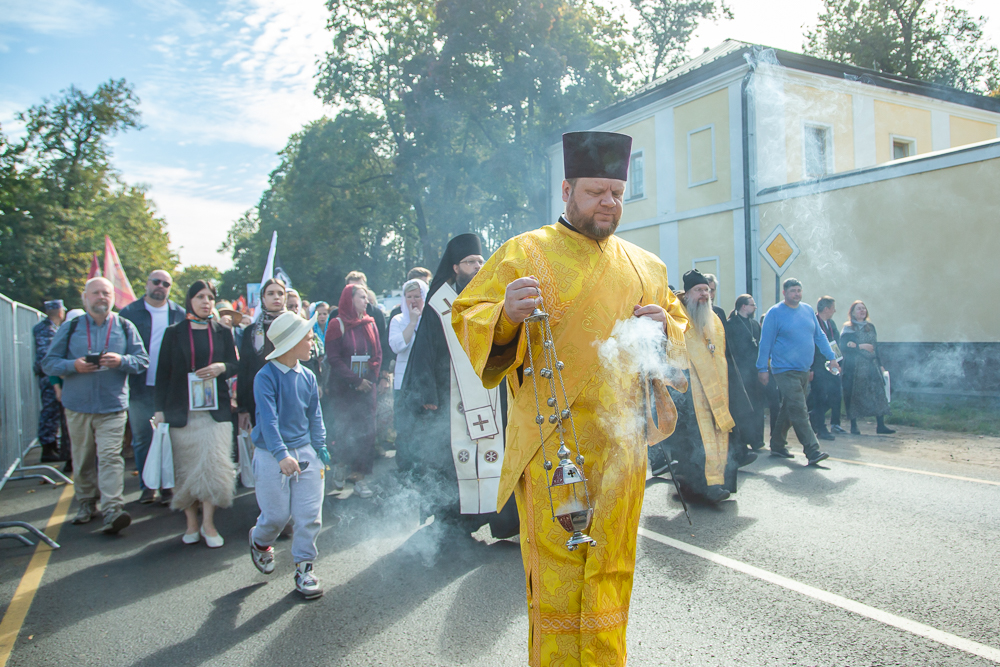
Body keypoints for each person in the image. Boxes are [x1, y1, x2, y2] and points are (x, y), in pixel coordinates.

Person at [452, 131, 688, 666]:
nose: (609, 202)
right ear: (566, 190)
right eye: (596, 191)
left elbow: (679, 335)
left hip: (623, 450)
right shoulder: (524, 252)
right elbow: (469, 314)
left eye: (617, 193)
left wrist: (666, 329)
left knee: (612, 574)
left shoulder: (646, 267)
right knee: (559, 584)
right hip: (555, 451)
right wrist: (506, 314)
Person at [398, 235, 520, 538]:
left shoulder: (492, 296)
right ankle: (456, 520)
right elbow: (424, 352)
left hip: (492, 395)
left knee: (497, 454)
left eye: (480, 261)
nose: (477, 266)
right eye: (470, 262)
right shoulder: (438, 303)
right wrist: (428, 393)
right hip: (453, 401)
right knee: (455, 459)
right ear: (455, 267)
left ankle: (503, 521)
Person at [42, 277, 149, 533]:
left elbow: (142, 360)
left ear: (112, 297)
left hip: (112, 405)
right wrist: (73, 366)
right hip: (78, 406)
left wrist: (121, 360)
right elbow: (48, 363)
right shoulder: (71, 327)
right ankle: (87, 502)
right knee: (83, 458)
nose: (101, 297)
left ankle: (113, 509)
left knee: (111, 457)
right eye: (96, 293)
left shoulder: (124, 325)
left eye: (106, 293)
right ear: (85, 297)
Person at [249, 311, 329, 599]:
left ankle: (305, 568)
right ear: (292, 343)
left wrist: (321, 447)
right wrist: (281, 454)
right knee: (276, 516)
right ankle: (259, 542)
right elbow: (268, 421)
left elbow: (315, 414)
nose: (313, 342)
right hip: (272, 453)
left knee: (309, 515)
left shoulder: (307, 375)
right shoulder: (265, 377)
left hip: (305, 449)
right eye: (308, 338)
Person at [152, 281, 238, 546]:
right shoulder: (174, 332)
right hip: (182, 411)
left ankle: (208, 524)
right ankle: (191, 523)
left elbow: (236, 365)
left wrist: (221, 367)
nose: (205, 302)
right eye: (200, 297)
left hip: (215, 412)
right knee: (187, 469)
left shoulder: (222, 331)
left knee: (212, 466)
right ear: (190, 300)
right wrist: (159, 410)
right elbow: (162, 373)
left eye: (210, 297)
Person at [650, 271, 738, 503]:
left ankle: (713, 484)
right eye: (699, 290)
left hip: (714, 389)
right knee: (692, 443)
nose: (704, 295)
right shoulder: (676, 316)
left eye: (707, 290)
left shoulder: (714, 319)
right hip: (687, 392)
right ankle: (700, 488)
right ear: (687, 293)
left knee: (714, 436)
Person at [120, 270, 187, 505]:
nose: (160, 286)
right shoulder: (129, 313)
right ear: (147, 284)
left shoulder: (179, 313)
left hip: (171, 388)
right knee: (142, 439)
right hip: (140, 387)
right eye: (156, 282)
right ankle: (147, 487)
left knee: (171, 438)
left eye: (165, 283)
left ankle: (168, 486)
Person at [756, 278, 839, 464]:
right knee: (800, 409)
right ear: (784, 293)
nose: (797, 294)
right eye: (793, 291)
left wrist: (831, 357)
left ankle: (777, 445)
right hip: (784, 370)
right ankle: (812, 450)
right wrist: (762, 368)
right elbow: (765, 343)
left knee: (789, 408)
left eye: (799, 290)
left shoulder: (808, 310)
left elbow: (820, 336)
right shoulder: (774, 313)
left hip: (803, 369)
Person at [325, 284, 382, 498]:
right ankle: (340, 465)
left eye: (366, 297)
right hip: (344, 391)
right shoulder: (336, 324)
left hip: (366, 389)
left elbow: (377, 354)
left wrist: (369, 379)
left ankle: (360, 478)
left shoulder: (370, 323)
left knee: (366, 433)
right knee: (344, 431)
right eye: (361, 297)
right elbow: (334, 359)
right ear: (349, 299)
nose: (365, 301)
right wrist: (355, 380)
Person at [237, 278, 286, 431]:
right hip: (258, 398)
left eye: (280, 293)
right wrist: (242, 408)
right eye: (271, 293)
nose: (276, 297)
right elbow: (244, 368)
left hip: (289, 397)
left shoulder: (295, 326)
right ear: (263, 298)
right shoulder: (251, 332)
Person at [841, 301, 894, 435]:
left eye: (864, 308)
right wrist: (860, 346)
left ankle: (880, 425)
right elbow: (844, 347)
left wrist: (880, 365)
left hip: (872, 365)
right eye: (859, 309)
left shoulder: (870, 327)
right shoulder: (848, 329)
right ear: (852, 312)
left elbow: (875, 347)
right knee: (854, 395)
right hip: (855, 367)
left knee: (878, 393)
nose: (862, 311)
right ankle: (854, 426)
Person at [725, 295, 766, 450]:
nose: (754, 307)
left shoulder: (755, 325)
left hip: (754, 371)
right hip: (740, 373)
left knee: (757, 405)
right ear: (743, 306)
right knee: (743, 407)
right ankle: (743, 440)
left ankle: (757, 439)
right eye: (752, 305)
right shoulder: (731, 325)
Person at [33, 299, 71, 464]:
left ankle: (52, 446)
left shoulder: (51, 328)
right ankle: (48, 447)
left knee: (54, 412)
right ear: (60, 311)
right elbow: (48, 359)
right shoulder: (47, 330)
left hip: (51, 375)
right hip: (49, 376)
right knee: (50, 412)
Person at [807, 296, 844, 440]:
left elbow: (836, 343)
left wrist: (838, 361)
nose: (835, 310)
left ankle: (813, 416)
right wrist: (810, 368)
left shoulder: (831, 323)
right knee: (820, 397)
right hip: (818, 366)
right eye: (833, 307)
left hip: (832, 365)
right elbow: (810, 347)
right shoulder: (813, 323)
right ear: (827, 309)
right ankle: (820, 428)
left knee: (835, 395)